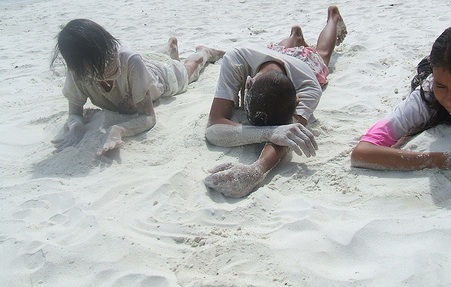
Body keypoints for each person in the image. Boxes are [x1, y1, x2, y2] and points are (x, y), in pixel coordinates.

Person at [204, 6, 348, 198]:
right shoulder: (236, 58)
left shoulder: (309, 87)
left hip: (307, 66)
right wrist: (270, 132)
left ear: (297, 99)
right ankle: (295, 35)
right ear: (249, 82)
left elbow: (290, 133)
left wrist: (258, 169)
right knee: (281, 51)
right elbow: (214, 127)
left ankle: (333, 18)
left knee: (321, 54)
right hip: (269, 53)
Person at [50, 19, 224, 156]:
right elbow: (74, 113)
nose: (111, 65)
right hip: (141, 65)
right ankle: (169, 48)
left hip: (160, 77)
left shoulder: (126, 59)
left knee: (187, 71)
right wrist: (76, 126)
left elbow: (148, 117)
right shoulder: (76, 73)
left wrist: (118, 129)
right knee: (145, 59)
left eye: (109, 55)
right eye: (102, 65)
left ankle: (204, 51)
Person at [351, 22, 451, 171]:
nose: (449, 98)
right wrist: (446, 160)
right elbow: (362, 153)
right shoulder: (426, 98)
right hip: (427, 70)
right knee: (430, 65)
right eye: (441, 86)